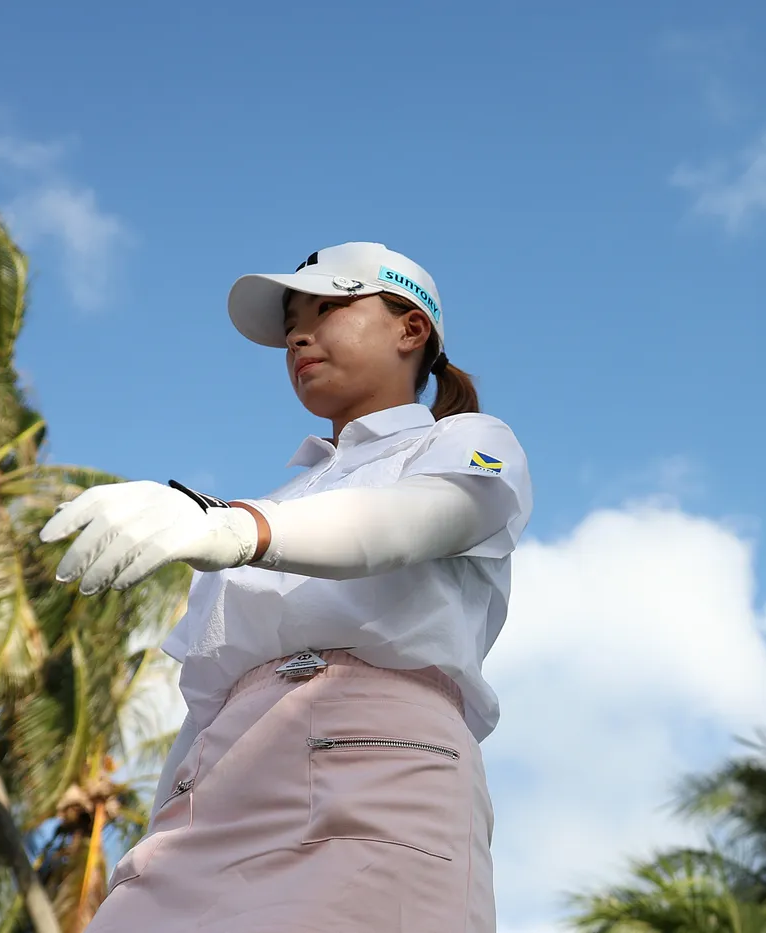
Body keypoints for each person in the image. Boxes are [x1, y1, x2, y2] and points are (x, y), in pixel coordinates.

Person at [40, 241, 533, 932]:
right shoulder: (282, 499)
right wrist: (161, 826)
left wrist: (234, 528)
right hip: (207, 801)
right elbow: (208, 699)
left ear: (411, 328)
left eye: (328, 309)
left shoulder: (467, 442)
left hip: (374, 772)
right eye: (292, 325)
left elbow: (420, 517)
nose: (299, 336)